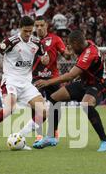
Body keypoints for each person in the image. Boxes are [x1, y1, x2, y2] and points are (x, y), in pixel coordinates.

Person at [0, 16, 49, 150]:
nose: (28, 34)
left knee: (43, 112)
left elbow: (45, 57)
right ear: (20, 29)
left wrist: (45, 59)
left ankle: (19, 137)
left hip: (26, 84)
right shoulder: (11, 42)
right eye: (25, 31)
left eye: (30, 31)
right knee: (10, 108)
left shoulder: (36, 43)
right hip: (10, 81)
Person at [35, 30, 106, 152]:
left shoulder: (89, 53)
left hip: (100, 84)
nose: (69, 48)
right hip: (85, 83)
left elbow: (70, 76)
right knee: (54, 97)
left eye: (71, 45)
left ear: (76, 43)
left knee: (86, 104)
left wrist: (47, 82)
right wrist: (71, 52)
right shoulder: (86, 44)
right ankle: (51, 137)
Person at [20, 15, 72, 148]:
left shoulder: (55, 39)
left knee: (56, 104)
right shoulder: (29, 40)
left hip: (53, 78)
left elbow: (65, 55)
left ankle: (53, 134)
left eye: (41, 25)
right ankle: (38, 135)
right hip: (36, 78)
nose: (39, 28)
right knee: (36, 106)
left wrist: (68, 53)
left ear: (46, 25)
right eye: (36, 26)